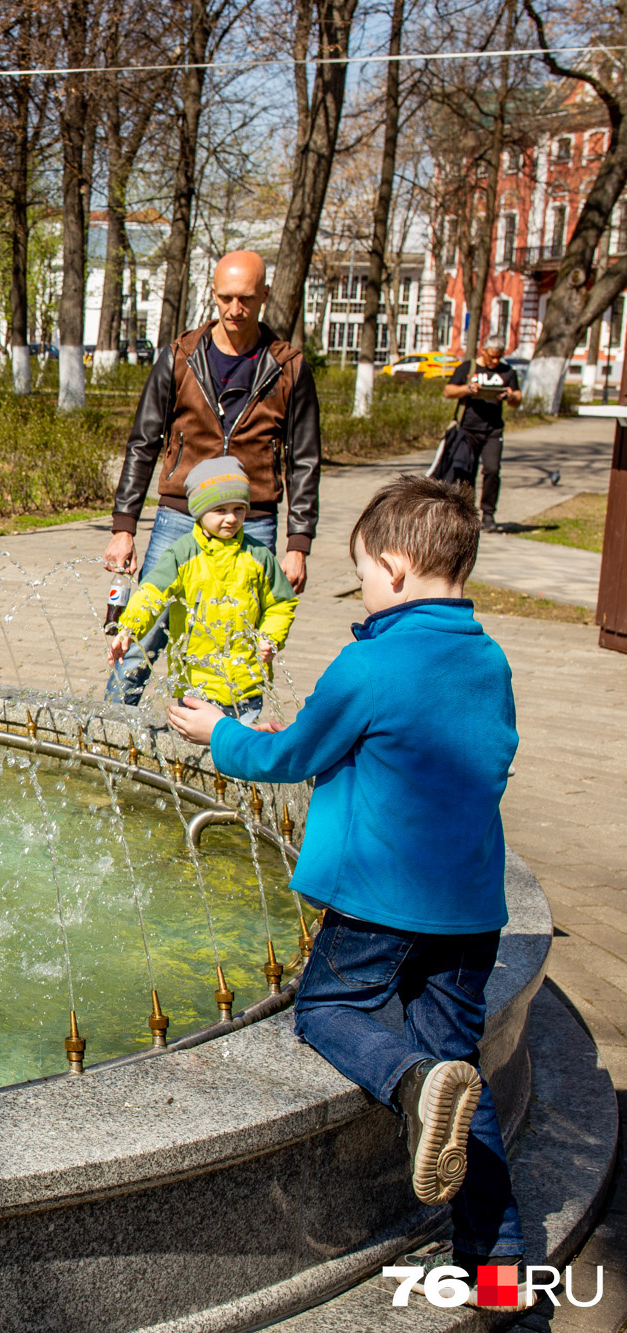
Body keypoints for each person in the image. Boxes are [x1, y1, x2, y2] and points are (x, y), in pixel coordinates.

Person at [168, 475, 523, 1312]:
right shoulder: (487, 658)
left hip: (375, 905)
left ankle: (404, 1083)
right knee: (461, 1079)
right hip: (469, 912)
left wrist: (214, 730)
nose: (358, 586)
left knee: (327, 1012)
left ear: (394, 570)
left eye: (361, 571)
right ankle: (505, 1283)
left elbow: (282, 758)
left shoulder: (367, 662)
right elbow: (487, 759)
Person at [103, 249, 319, 707]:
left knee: (238, 651)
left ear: (264, 295)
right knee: (143, 636)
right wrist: (124, 528)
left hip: (252, 519)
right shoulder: (180, 356)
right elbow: (143, 443)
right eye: (224, 298)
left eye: (245, 299)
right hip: (180, 517)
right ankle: (109, 739)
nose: (234, 310)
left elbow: (304, 459)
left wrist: (298, 544)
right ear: (213, 294)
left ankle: (229, 758)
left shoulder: (289, 366)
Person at [105, 457, 298, 724]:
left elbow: (281, 603)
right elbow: (152, 592)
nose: (231, 518)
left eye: (239, 509)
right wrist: (129, 627)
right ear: (199, 511)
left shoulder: (258, 556)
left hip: (246, 686)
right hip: (196, 684)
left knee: (236, 755)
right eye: (220, 510)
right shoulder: (182, 554)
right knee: (192, 753)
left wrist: (270, 637)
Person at [439, 340, 522, 531]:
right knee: (465, 473)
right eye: (491, 355)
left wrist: (510, 396)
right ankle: (466, 514)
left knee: (492, 470)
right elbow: (449, 391)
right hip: (467, 430)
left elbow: (517, 399)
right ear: (483, 351)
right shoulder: (468, 368)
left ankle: (489, 515)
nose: (494, 360)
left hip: (493, 431)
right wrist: (467, 389)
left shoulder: (507, 372)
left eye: (498, 357)